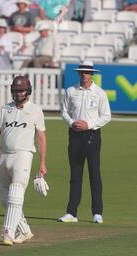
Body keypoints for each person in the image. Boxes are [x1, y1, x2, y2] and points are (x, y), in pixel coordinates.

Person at [0, 75, 48, 245]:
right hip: (4, 155)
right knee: (5, 198)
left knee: (16, 192)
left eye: (21, 91)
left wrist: (42, 162)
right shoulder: (4, 109)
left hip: (23, 155)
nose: (18, 94)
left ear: (28, 91)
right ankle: (24, 230)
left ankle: (7, 233)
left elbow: (42, 137)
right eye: (15, 91)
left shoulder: (36, 110)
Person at [59, 61, 111, 224]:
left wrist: (89, 124)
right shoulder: (71, 91)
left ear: (92, 74)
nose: (84, 74)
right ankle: (72, 213)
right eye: (81, 72)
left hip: (92, 135)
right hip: (75, 135)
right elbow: (64, 112)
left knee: (94, 174)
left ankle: (97, 212)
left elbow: (106, 116)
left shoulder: (99, 93)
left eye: (87, 72)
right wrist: (72, 123)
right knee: (75, 175)